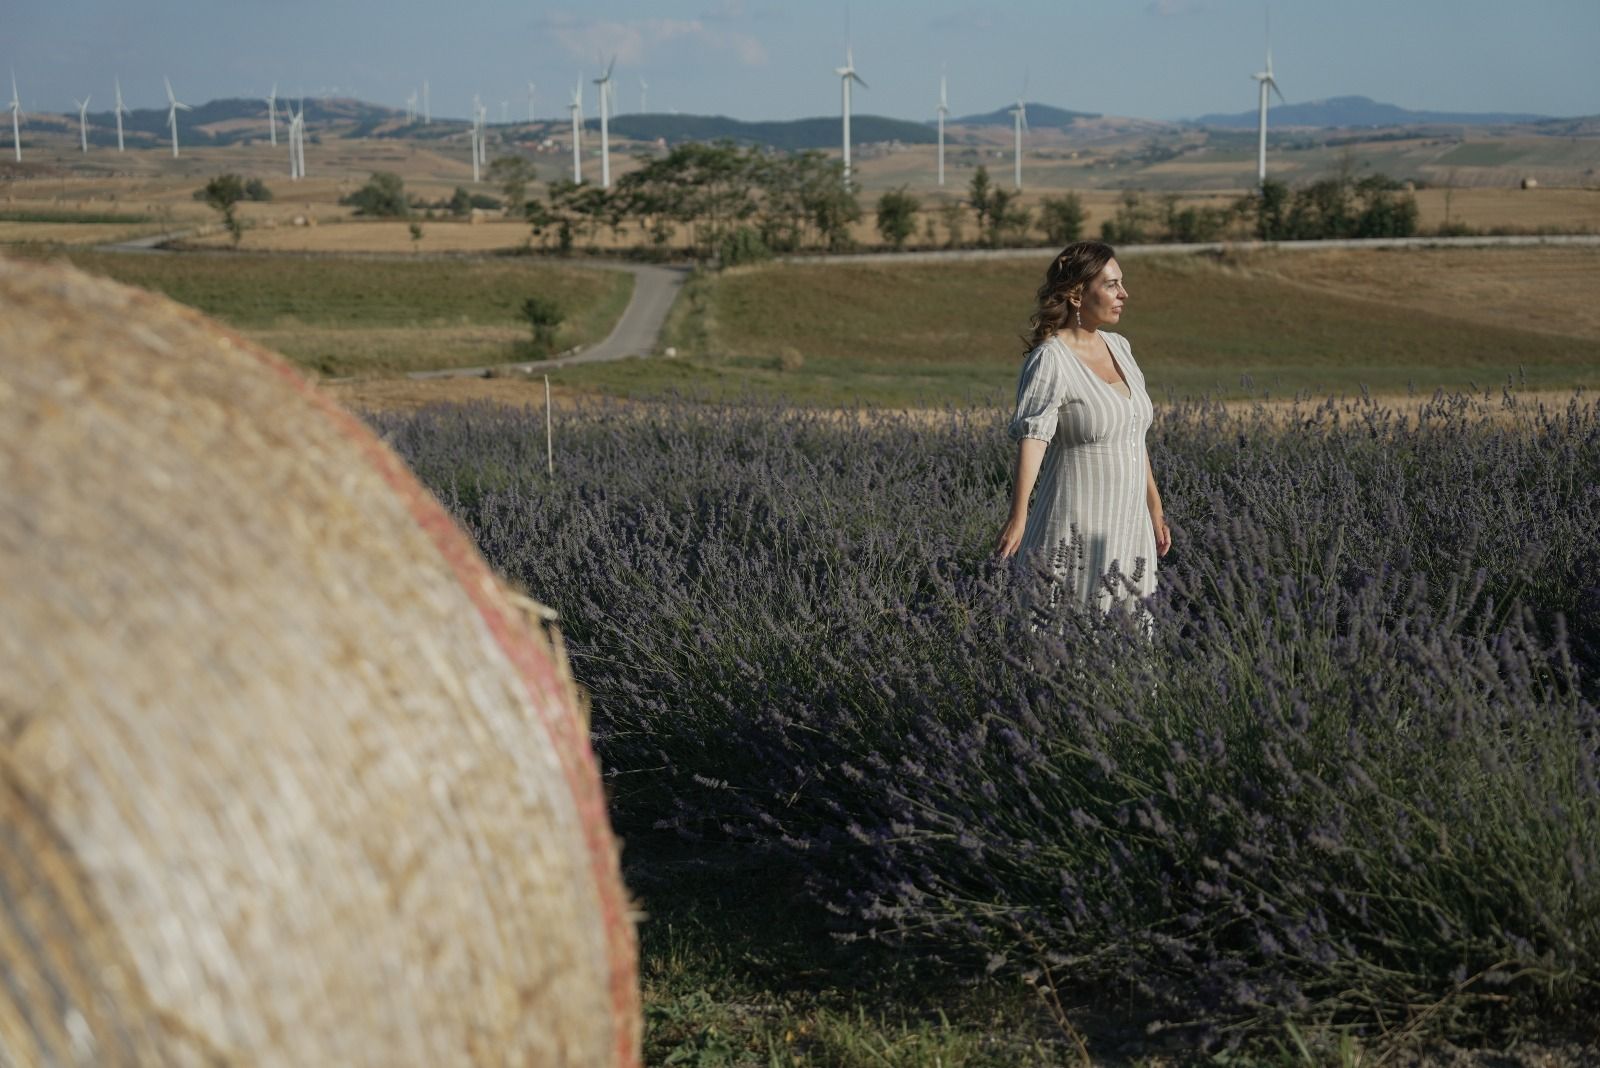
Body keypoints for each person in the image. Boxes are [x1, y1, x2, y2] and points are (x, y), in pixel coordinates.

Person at [995, 241, 1171, 614]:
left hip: (1130, 525)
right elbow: (1034, 437)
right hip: (1074, 526)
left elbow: (1133, 435)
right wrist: (1018, 514)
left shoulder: (1120, 347)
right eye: (1110, 285)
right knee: (1063, 640)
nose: (1124, 293)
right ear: (1077, 294)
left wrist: (1154, 508)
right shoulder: (1051, 358)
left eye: (1121, 283)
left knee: (1128, 645)